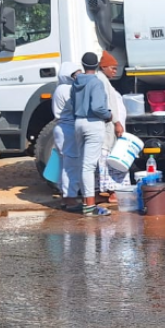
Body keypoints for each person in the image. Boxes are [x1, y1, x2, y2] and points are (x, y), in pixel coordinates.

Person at [72, 52, 113, 217]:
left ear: (83, 65)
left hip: (79, 122)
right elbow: (97, 107)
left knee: (83, 164)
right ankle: (90, 206)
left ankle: (85, 201)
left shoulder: (76, 81)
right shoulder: (96, 82)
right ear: (97, 65)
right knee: (89, 166)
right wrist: (108, 115)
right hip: (93, 123)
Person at [96, 51, 128, 202]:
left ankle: (110, 191)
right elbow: (108, 105)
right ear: (104, 67)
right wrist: (116, 122)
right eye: (112, 68)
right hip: (109, 128)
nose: (115, 71)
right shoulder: (101, 81)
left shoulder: (104, 81)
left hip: (111, 126)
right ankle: (112, 191)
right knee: (110, 159)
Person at [53, 62, 82, 211]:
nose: (79, 76)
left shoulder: (59, 88)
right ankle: (70, 198)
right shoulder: (67, 89)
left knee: (64, 164)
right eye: (76, 73)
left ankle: (65, 195)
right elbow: (78, 107)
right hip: (68, 129)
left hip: (62, 128)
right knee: (72, 165)